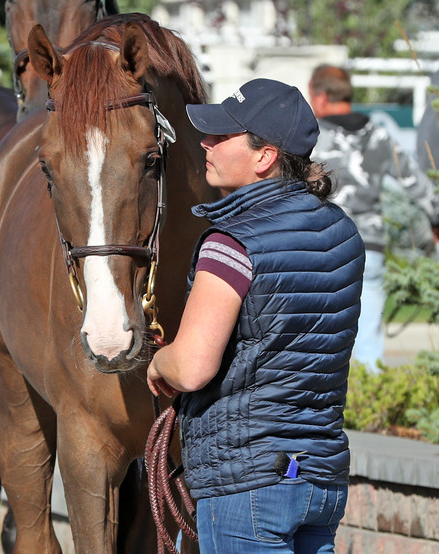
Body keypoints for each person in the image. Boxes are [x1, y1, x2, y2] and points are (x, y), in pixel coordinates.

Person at [146, 78, 365, 553]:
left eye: (221, 137)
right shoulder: (342, 233)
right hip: (320, 479)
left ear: (264, 156)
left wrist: (158, 362)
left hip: (247, 486)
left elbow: (191, 367)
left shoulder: (231, 243)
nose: (205, 144)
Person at [308, 64, 439, 372]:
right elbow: (415, 182)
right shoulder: (380, 135)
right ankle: (371, 410)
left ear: (320, 97)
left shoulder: (313, 137)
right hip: (369, 247)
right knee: (368, 339)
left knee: (319, 338)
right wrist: (438, 220)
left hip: (321, 246)